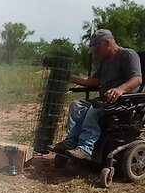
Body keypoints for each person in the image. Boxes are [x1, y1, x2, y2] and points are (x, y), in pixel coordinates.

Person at [52, 29, 142, 160]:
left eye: (98, 48)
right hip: (104, 101)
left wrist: (120, 89)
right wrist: (70, 77)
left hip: (123, 103)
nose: (96, 52)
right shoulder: (105, 61)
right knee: (76, 105)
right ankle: (71, 142)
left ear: (107, 43)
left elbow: (137, 79)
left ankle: (85, 148)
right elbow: (94, 81)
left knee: (93, 112)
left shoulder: (128, 55)